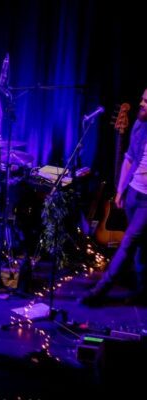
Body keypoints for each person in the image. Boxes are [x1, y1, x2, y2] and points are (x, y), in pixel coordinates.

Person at [81, 88, 147, 306]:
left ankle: (99, 291)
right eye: (143, 98)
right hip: (133, 193)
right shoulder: (139, 125)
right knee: (140, 247)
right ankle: (142, 292)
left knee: (128, 242)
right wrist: (120, 190)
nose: (142, 103)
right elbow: (129, 158)